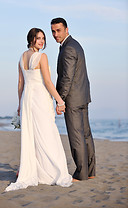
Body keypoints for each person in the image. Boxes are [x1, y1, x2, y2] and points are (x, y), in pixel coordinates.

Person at [5, 28, 72, 192]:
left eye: (43, 38)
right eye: (38, 38)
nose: (42, 41)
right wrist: (60, 100)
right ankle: (51, 173)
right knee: (47, 133)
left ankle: (37, 171)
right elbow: (48, 83)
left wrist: (20, 104)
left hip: (27, 98)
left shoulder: (21, 57)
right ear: (31, 39)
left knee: (33, 135)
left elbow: (20, 84)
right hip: (40, 98)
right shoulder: (42, 57)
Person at [51, 17, 96, 181]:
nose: (56, 34)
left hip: (73, 99)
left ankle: (81, 173)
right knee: (85, 135)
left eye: (58, 30)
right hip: (83, 96)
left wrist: (60, 100)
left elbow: (67, 78)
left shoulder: (69, 48)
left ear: (66, 29)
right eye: (53, 31)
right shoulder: (75, 45)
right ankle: (90, 172)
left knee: (77, 136)